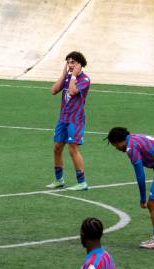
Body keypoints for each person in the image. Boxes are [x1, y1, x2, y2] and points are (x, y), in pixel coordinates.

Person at [105, 127, 154, 249]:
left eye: (115, 145)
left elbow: (140, 175)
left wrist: (142, 198)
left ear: (118, 141)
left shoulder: (131, 148)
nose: (116, 148)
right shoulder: (134, 138)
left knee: (152, 204)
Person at [46, 51, 90, 191]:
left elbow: (72, 91)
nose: (70, 65)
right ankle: (59, 180)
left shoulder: (84, 79)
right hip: (63, 118)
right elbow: (53, 90)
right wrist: (64, 74)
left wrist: (73, 76)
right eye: (68, 62)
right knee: (57, 148)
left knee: (73, 149)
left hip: (75, 120)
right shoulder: (67, 77)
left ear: (80, 64)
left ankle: (82, 182)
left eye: (73, 62)